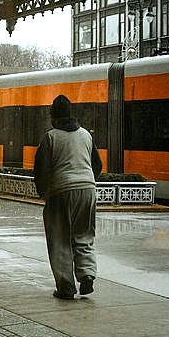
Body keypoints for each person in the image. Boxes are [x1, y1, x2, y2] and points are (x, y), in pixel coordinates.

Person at [33, 94, 103, 300]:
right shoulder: (86, 136)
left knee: (60, 238)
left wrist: (44, 192)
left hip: (61, 191)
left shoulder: (50, 137)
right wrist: (87, 180)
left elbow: (41, 171)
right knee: (84, 234)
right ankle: (87, 274)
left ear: (52, 117)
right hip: (88, 189)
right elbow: (97, 165)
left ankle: (66, 286)